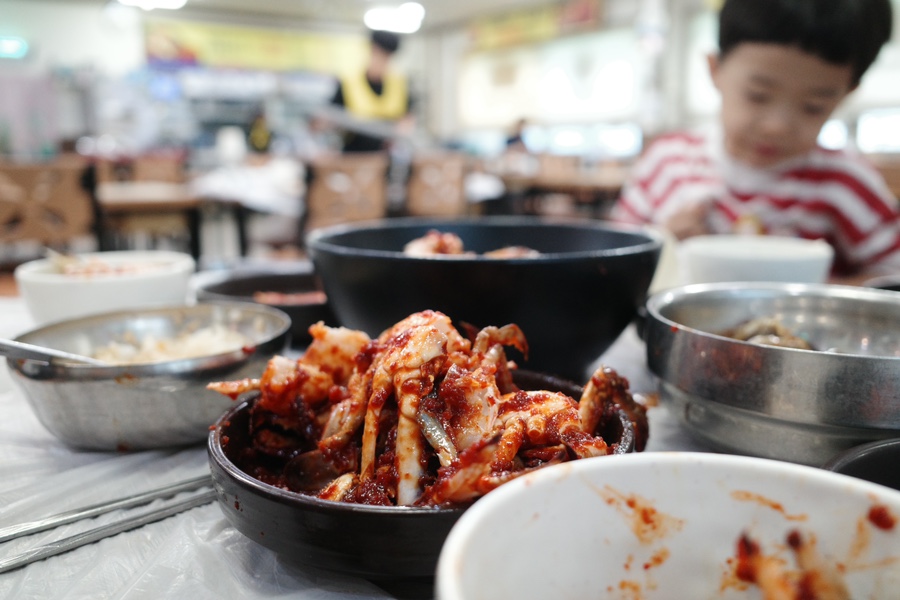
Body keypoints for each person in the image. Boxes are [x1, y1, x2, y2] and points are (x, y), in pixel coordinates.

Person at [610, 0, 900, 276]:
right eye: (757, 96)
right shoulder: (667, 163)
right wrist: (662, 242)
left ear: (847, 94)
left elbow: (892, 272)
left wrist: (816, 294)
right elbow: (612, 257)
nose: (777, 127)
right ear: (715, 70)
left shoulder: (846, 182)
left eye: (813, 107)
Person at [328, 29, 414, 154]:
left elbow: (407, 115)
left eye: (387, 57)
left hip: (386, 155)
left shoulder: (398, 83)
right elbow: (332, 116)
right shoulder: (349, 82)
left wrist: (403, 129)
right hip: (354, 155)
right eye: (379, 54)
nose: (383, 61)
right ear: (371, 51)